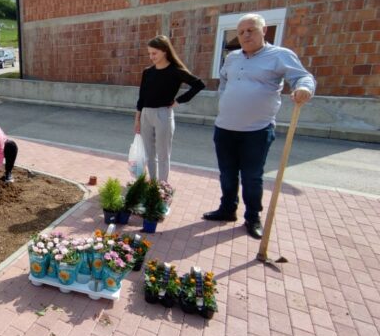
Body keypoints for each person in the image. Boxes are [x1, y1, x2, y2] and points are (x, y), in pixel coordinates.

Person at [202, 13, 315, 239]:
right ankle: (227, 209)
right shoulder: (232, 57)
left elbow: (303, 77)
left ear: (264, 31)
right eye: (241, 32)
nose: (245, 35)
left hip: (257, 130)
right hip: (225, 127)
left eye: (251, 30)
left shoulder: (280, 56)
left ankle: (252, 217)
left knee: (252, 177)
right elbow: (224, 80)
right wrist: (224, 99)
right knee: (227, 173)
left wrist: (304, 89)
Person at [135, 35, 205, 182]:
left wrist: (179, 101)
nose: (151, 56)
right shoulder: (148, 72)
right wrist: (137, 118)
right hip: (146, 114)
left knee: (163, 154)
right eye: (149, 53)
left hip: (163, 114)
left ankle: (162, 186)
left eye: (154, 53)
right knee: (148, 153)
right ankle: (152, 183)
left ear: (165, 51)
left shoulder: (175, 71)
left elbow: (199, 85)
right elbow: (142, 96)